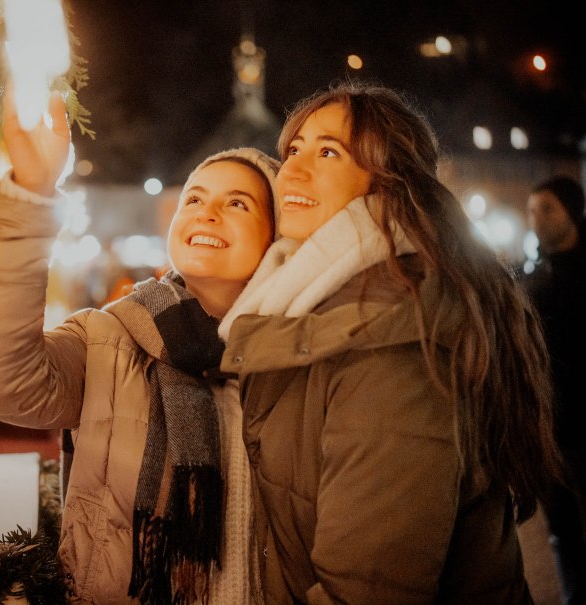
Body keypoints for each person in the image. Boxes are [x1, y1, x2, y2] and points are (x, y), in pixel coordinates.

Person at [217, 82, 564, 604]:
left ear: (389, 180)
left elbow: (368, 589)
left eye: (328, 152)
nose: (292, 170)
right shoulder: (314, 304)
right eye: (293, 149)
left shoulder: (391, 336)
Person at [0, 86, 280, 603]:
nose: (207, 212)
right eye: (194, 198)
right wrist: (31, 195)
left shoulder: (299, 358)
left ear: (277, 237)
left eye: (237, 203)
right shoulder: (108, 339)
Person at [521, 175, 586, 605]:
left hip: (581, 424)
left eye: (547, 209)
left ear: (572, 213)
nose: (537, 220)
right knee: (562, 531)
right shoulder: (534, 276)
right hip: (549, 429)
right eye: (531, 211)